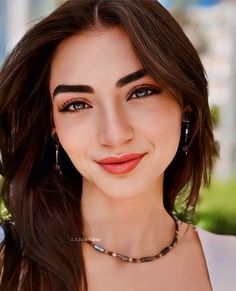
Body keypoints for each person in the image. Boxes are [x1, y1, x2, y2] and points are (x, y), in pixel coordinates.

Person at [0, 0, 235, 290]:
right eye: (76, 104)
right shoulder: (9, 271)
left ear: (185, 105)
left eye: (140, 92)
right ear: (53, 126)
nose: (114, 135)